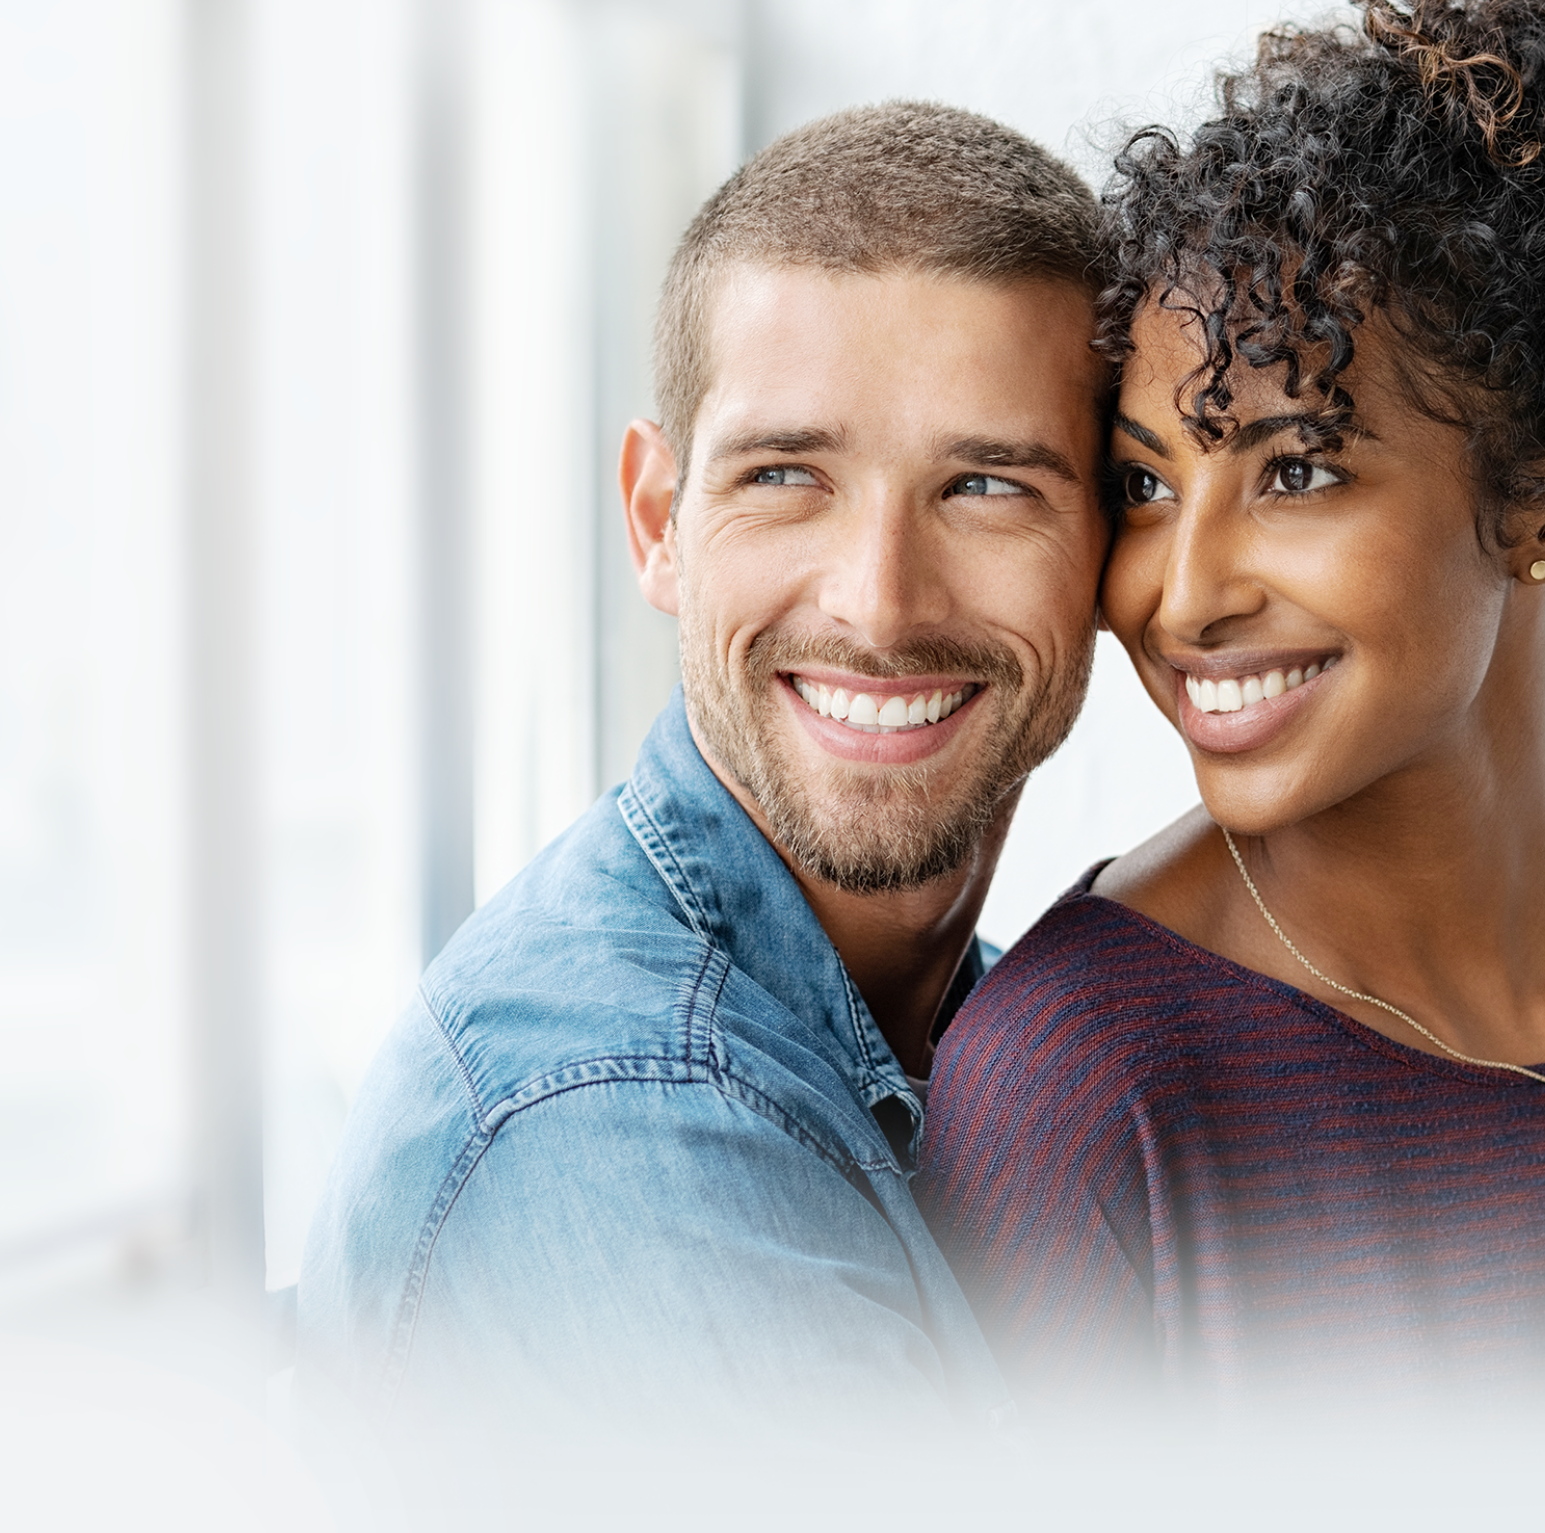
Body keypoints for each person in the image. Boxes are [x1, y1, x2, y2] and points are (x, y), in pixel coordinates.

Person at [295, 101, 1110, 1456]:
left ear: (1114, 545)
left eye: (985, 487)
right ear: (659, 522)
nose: (881, 605)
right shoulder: (629, 1126)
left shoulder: (963, 1026)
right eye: (787, 475)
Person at [919, 0, 1545, 1403]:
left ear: (1525, 493)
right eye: (1145, 485)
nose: (1183, 595)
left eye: (1297, 469)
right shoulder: (1084, 1093)